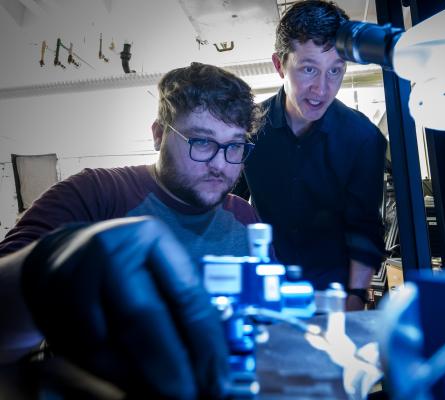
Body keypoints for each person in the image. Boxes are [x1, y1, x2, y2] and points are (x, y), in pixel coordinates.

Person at [0, 62, 261, 398]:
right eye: (201, 141)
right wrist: (43, 271)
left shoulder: (245, 216)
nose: (220, 164)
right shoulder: (94, 193)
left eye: (235, 146)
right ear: (158, 134)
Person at [238, 0, 387, 311]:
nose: (322, 89)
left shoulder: (363, 138)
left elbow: (364, 228)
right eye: (309, 69)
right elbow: (228, 207)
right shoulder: (246, 128)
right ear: (279, 65)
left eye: (335, 70)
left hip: (331, 295)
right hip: (262, 288)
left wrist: (356, 297)